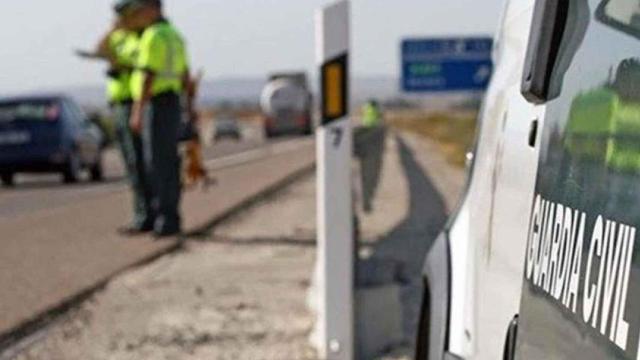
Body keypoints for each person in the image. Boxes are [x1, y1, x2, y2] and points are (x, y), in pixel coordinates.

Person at [76, 1, 154, 235]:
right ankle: (142, 213)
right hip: (119, 104)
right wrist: (113, 30)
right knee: (132, 164)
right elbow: (100, 49)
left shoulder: (140, 38)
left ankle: (148, 215)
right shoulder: (119, 37)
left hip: (135, 102)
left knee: (142, 163)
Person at [128, 0, 194, 237]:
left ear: (153, 9)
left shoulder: (153, 36)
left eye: (142, 10)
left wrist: (137, 111)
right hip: (172, 103)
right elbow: (186, 76)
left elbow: (148, 75)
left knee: (156, 163)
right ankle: (171, 216)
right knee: (169, 162)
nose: (139, 15)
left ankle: (164, 219)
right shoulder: (175, 35)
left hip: (156, 104)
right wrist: (188, 108)